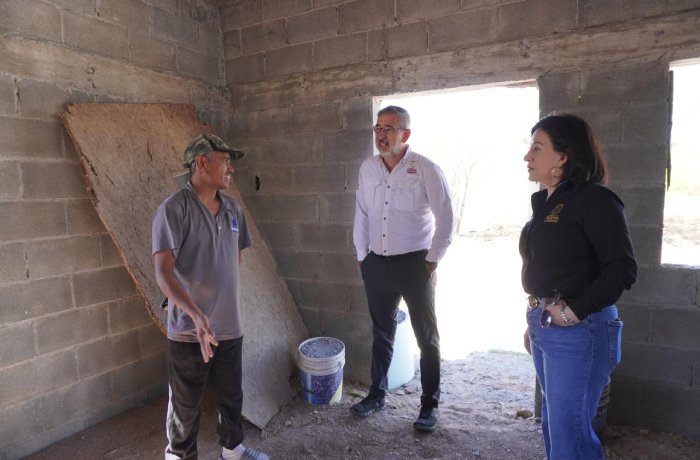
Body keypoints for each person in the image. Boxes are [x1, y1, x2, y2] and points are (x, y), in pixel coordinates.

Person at [520, 114, 637, 459]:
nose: (528, 156)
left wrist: (572, 312)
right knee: (556, 428)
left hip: (580, 329)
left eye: (537, 148)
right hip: (549, 326)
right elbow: (553, 268)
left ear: (562, 156)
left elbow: (622, 269)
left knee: (570, 436)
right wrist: (537, 320)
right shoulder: (547, 203)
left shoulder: (595, 200)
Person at [152, 133, 268, 460]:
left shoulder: (233, 209)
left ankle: (232, 450)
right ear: (202, 162)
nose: (231, 167)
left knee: (231, 396)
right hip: (190, 330)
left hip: (229, 326)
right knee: (185, 405)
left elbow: (233, 258)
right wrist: (197, 314)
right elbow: (163, 272)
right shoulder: (174, 210)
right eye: (225, 160)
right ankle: (179, 456)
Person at [351, 105, 454, 432]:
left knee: (427, 337)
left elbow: (447, 217)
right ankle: (377, 394)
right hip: (376, 264)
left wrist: (431, 261)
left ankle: (429, 405)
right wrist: (361, 256)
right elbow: (362, 213)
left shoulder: (425, 169)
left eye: (389, 129)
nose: (381, 135)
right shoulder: (368, 169)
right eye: (378, 128)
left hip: (414, 264)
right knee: (382, 332)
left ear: (405, 134)